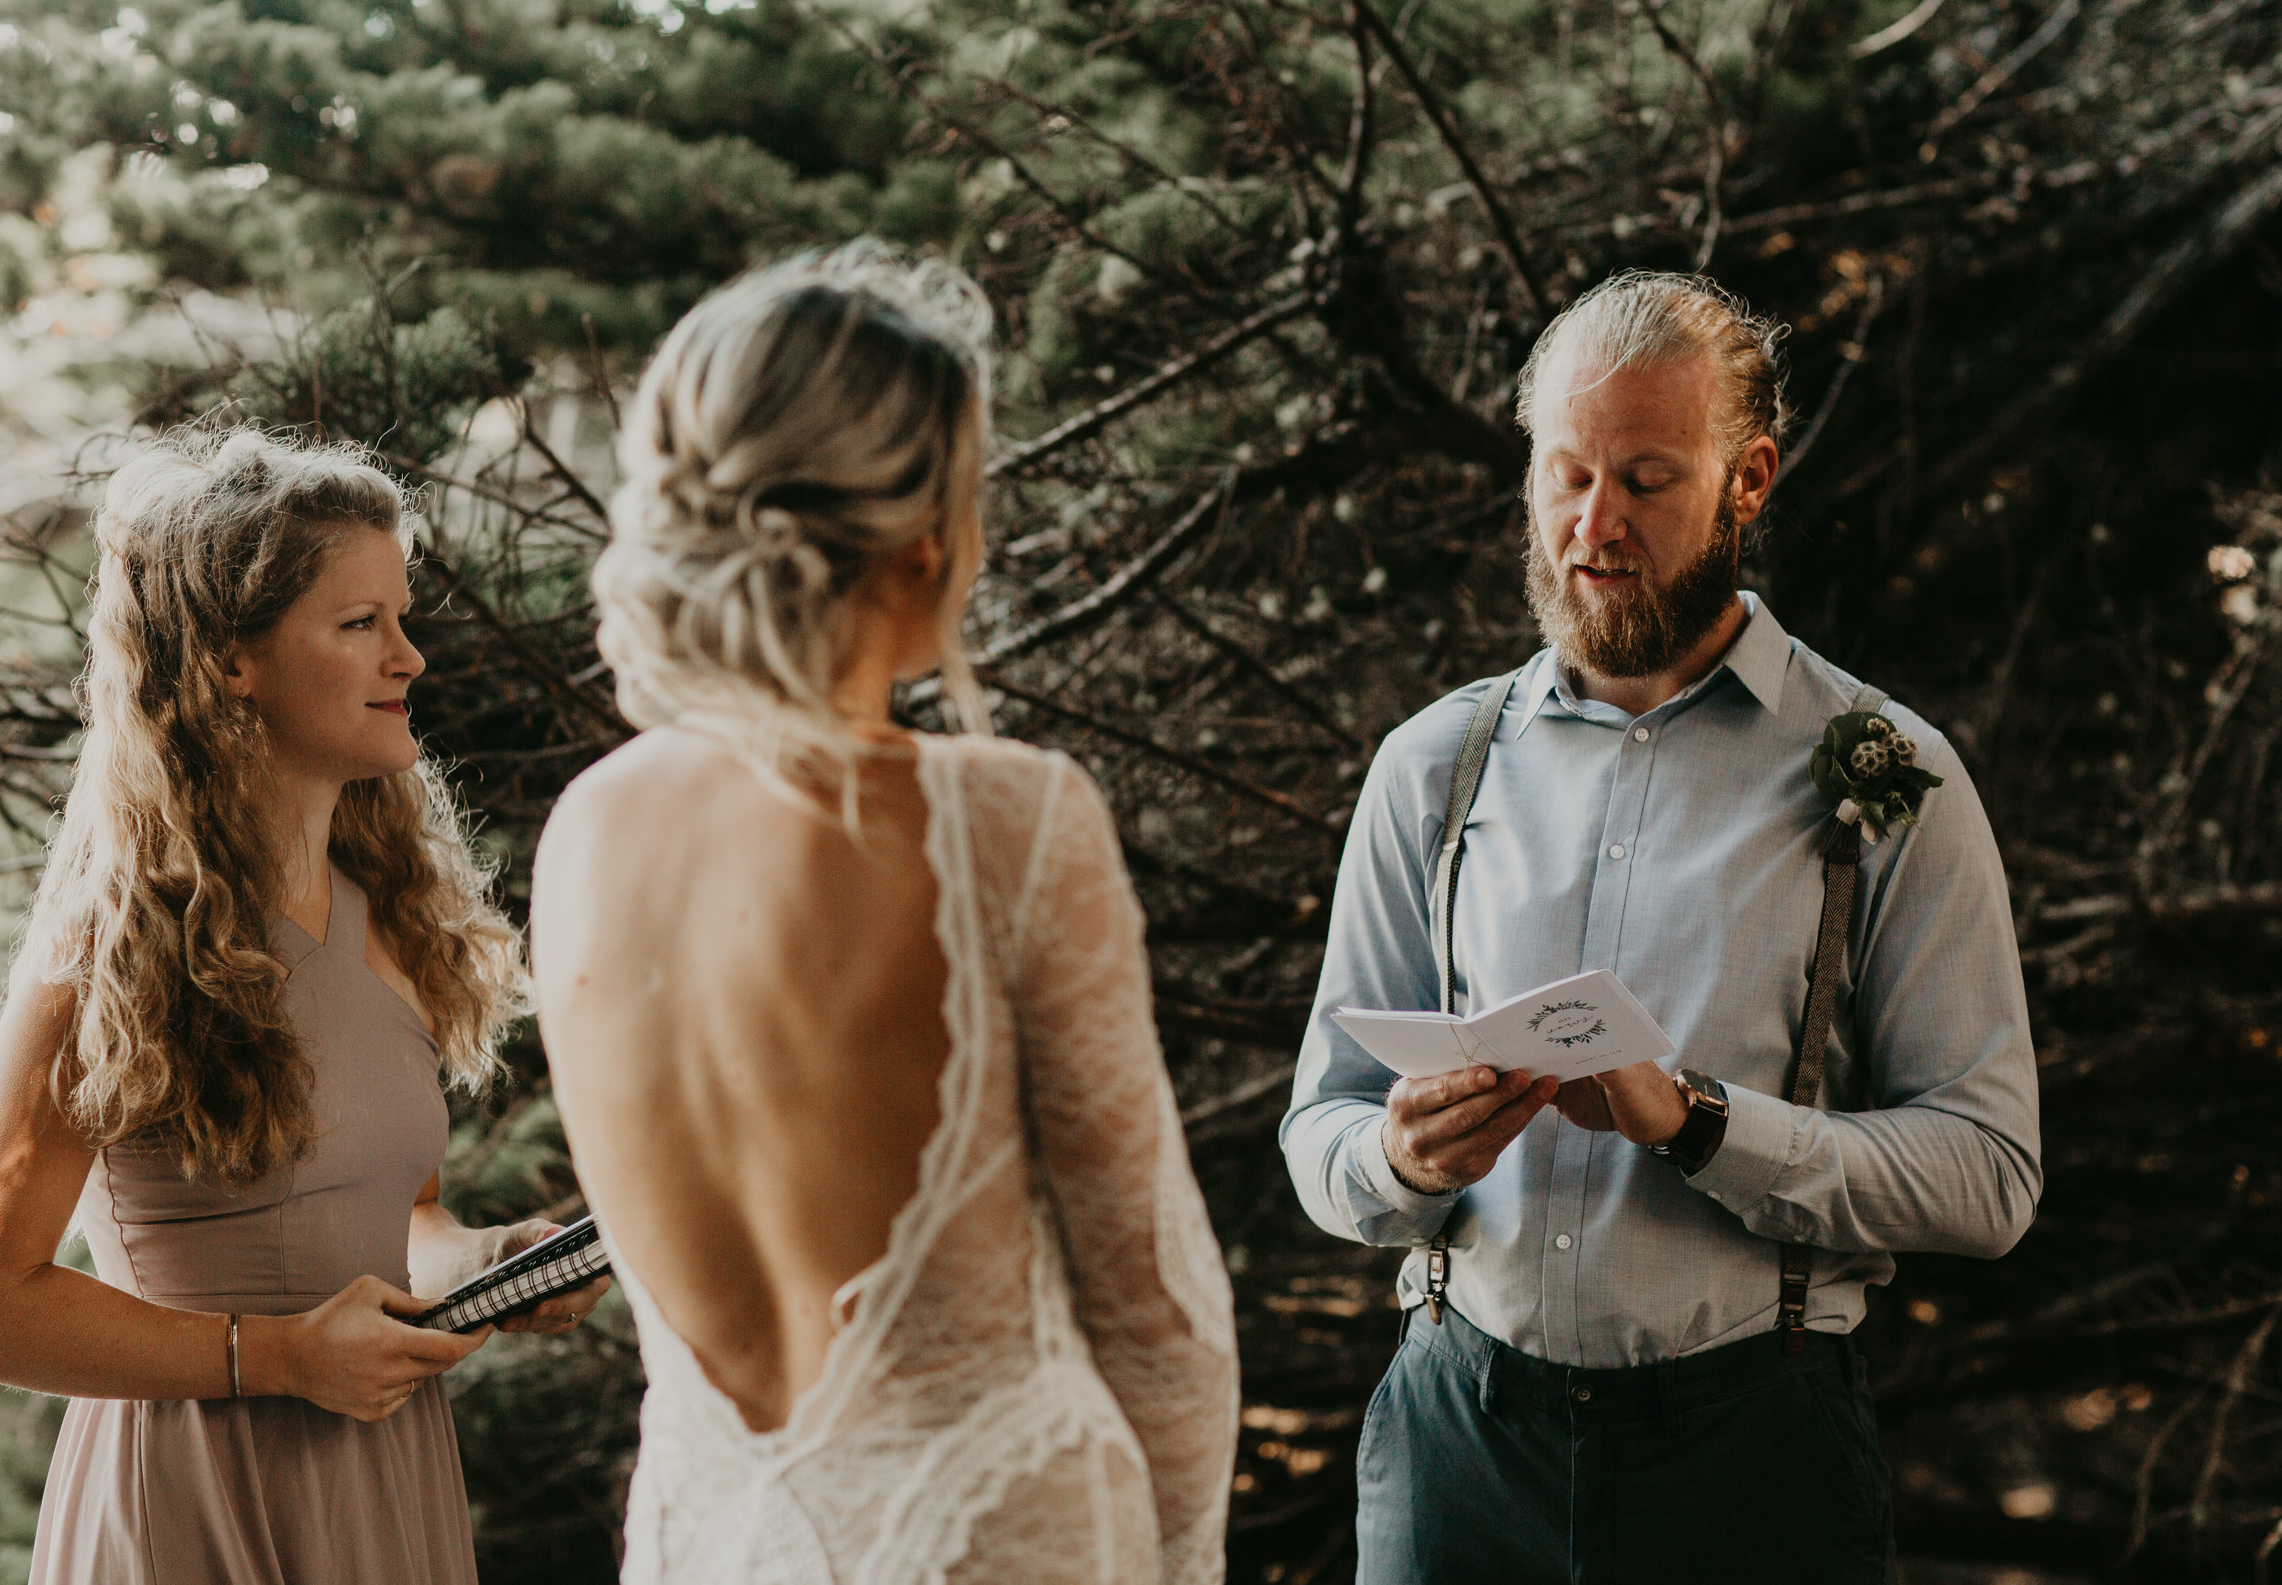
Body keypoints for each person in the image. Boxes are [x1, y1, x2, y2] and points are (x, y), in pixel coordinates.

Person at [1281, 271, 2042, 1581]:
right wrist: (1397, 1156)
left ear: (1749, 480)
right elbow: (1319, 1130)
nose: (1593, 525)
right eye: (1565, 475)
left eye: (1643, 479)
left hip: (1752, 1455)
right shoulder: (1434, 765)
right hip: (1459, 1438)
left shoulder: (1883, 768)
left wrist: (1700, 1122)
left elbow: (1991, 1176)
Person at [530, 245, 1239, 1584]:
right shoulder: (1006, 823)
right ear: (922, 536)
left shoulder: (585, 836)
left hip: (712, 1542)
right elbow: (1159, 1309)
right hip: (999, 1536)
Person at [0, 429, 611, 1585]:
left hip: (382, 1489)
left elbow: (402, 1213)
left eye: (401, 615)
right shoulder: (110, 945)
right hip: (188, 1503)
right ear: (232, 660)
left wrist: (481, 1259)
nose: (410, 658)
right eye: (359, 623)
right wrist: (278, 1354)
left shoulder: (389, 915)